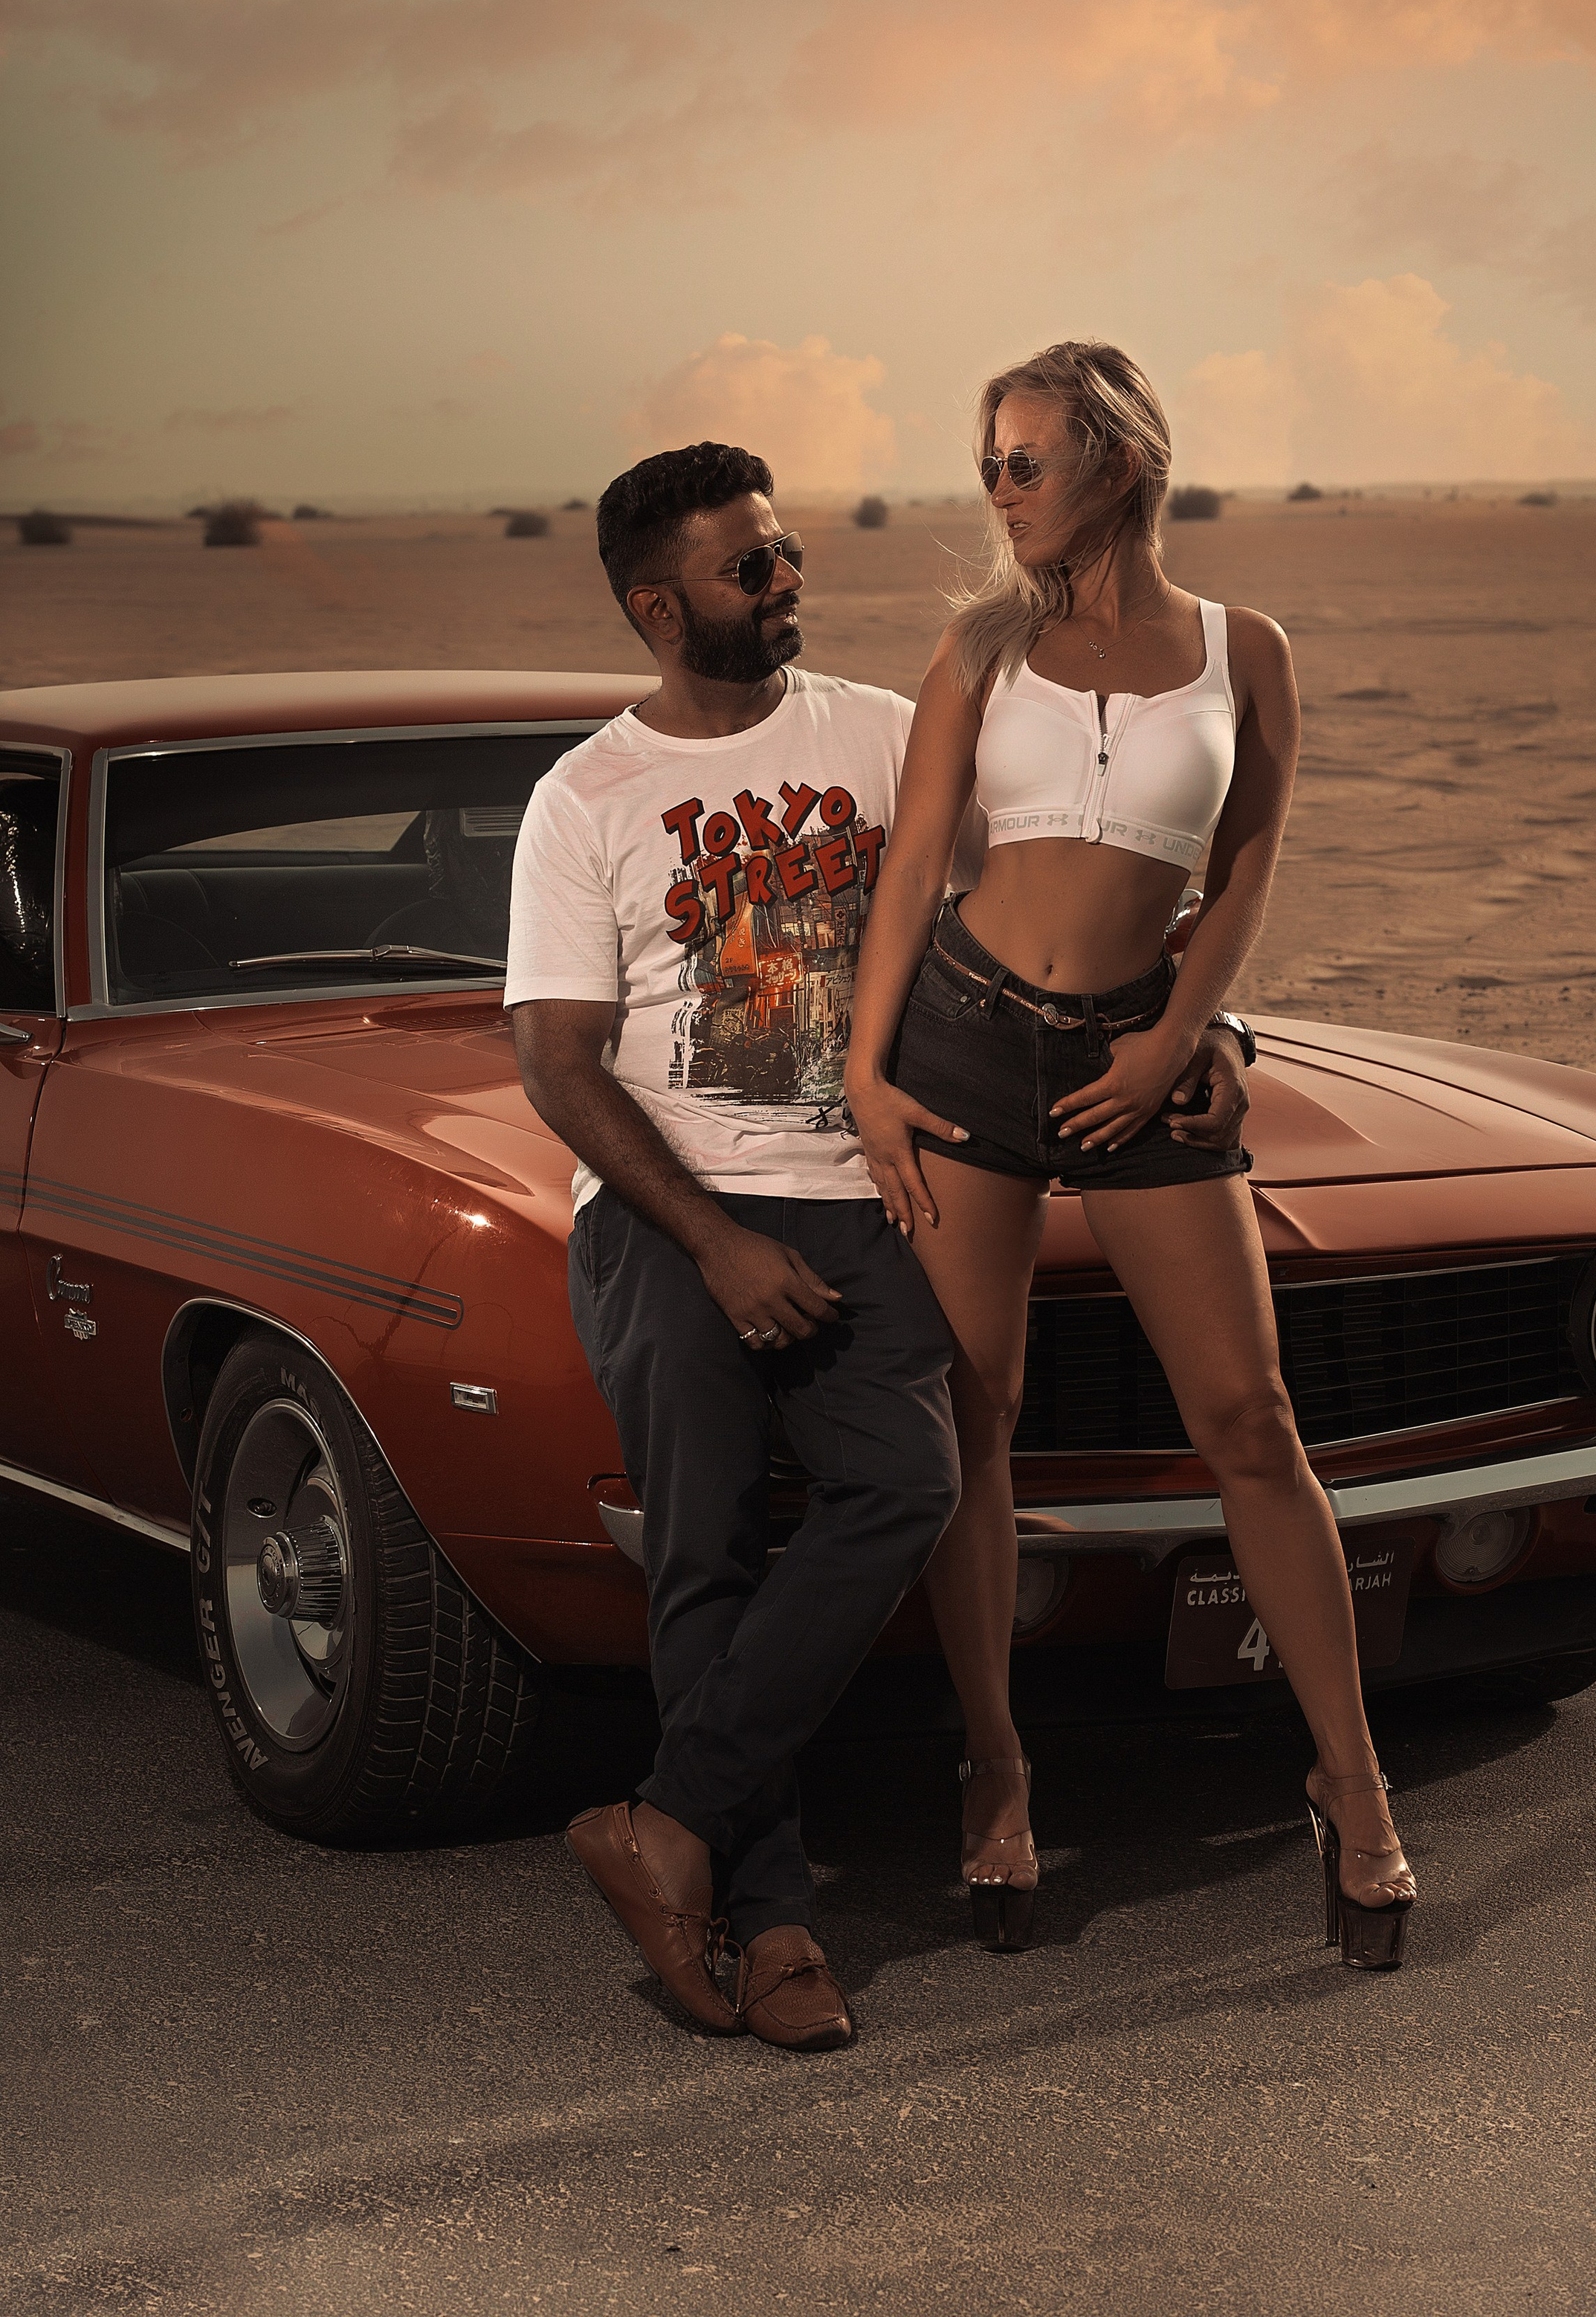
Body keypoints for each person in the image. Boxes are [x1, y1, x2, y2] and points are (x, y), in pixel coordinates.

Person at [505, 439, 1256, 2046]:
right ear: (657, 606)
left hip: (867, 1197)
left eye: (782, 553)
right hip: (673, 1219)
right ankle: (768, 1928)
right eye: (745, 567)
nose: (786, 583)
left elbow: (1055, 915)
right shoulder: (586, 798)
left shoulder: (880, 730)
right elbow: (560, 1065)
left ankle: (666, 1823)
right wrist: (709, 1243)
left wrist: (1211, 1019)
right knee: (705, 1553)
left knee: (909, 1483)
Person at [843, 342, 1418, 1970]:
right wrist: (864, 1077)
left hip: (1139, 1064)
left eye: (1025, 462)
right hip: (960, 1042)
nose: (1000, 495)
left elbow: (1244, 867)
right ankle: (998, 1764)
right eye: (990, 468)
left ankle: (1351, 1782)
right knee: (977, 1418)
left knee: (1247, 1416)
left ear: (1118, 462)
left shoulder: (1247, 652)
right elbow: (905, 879)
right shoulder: (976, 651)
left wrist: (1180, 1037)